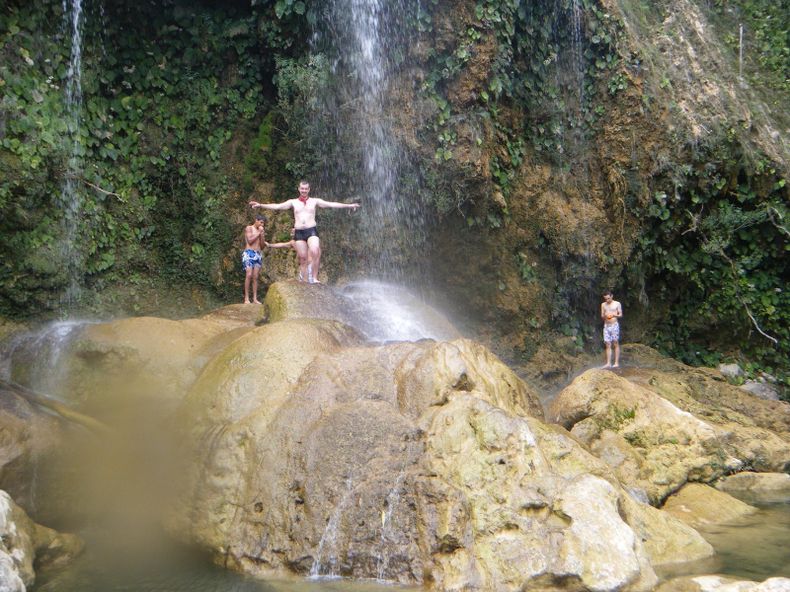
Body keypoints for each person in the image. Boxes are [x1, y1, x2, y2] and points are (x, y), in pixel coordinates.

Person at [248, 181, 360, 284]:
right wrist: (261, 205)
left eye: (306, 189)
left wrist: (349, 205)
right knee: (302, 258)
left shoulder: (315, 201)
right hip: (299, 232)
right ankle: (305, 281)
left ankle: (315, 278)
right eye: (302, 188)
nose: (304, 191)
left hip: (311, 230)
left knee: (315, 249)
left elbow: (331, 204)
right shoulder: (293, 202)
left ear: (309, 189)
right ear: (299, 189)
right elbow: (278, 206)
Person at [242, 215, 266, 304]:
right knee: (249, 274)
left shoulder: (261, 231)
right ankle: (246, 298)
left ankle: (255, 298)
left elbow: (262, 246)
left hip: (258, 254)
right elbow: (250, 240)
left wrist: (262, 235)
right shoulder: (249, 228)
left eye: (263, 223)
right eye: (261, 222)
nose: (262, 225)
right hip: (249, 253)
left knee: (255, 277)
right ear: (256, 220)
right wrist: (259, 233)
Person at [601, 291, 623, 368]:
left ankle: (616, 363)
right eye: (605, 299)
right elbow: (602, 316)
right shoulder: (603, 304)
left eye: (608, 298)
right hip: (606, 326)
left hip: (614, 325)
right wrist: (605, 316)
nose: (607, 300)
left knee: (615, 343)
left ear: (612, 296)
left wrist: (613, 315)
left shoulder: (617, 303)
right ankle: (608, 363)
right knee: (607, 344)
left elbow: (620, 314)